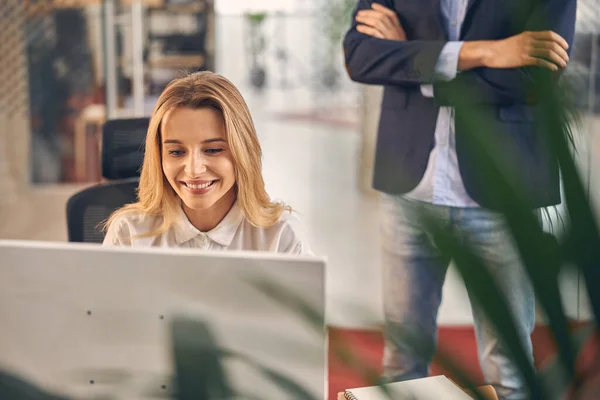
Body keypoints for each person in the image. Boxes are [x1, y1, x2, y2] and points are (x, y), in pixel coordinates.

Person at [343, 0, 576, 399]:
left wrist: (410, 57)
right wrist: (487, 51)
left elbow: (533, 79)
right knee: (402, 360)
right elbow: (361, 58)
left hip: (504, 194)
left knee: (511, 367)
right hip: (408, 187)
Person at [103, 71, 310, 254]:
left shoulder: (281, 236)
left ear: (242, 152)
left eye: (213, 150)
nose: (193, 170)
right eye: (176, 152)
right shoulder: (129, 232)